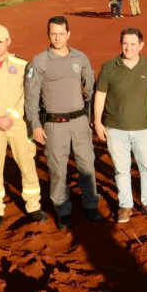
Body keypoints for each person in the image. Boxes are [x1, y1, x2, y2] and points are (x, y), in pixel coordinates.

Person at [25, 16, 101, 230]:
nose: (57, 37)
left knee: (86, 164)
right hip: (54, 124)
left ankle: (90, 205)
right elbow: (31, 97)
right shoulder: (40, 61)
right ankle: (63, 210)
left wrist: (90, 117)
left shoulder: (80, 57)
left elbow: (90, 89)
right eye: (53, 33)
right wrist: (36, 125)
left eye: (61, 33)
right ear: (48, 34)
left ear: (68, 34)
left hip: (79, 122)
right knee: (58, 169)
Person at [0, 24, 46, 230]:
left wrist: (10, 116)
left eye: (0, 41)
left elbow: (28, 94)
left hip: (18, 124)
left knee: (27, 165)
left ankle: (33, 206)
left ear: (8, 41)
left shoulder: (21, 64)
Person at [93, 28, 147, 224]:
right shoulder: (109, 66)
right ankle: (125, 205)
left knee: (146, 167)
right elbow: (100, 95)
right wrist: (98, 121)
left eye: (132, 44)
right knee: (121, 169)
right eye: (125, 43)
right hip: (115, 127)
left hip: (144, 127)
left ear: (141, 45)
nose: (128, 47)